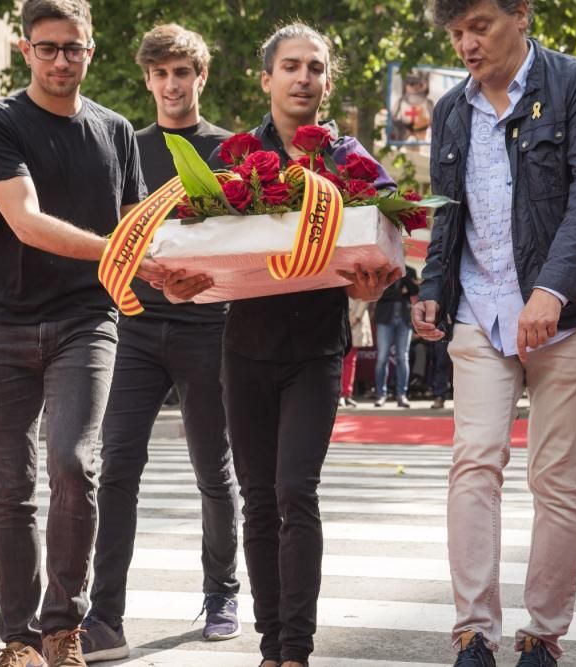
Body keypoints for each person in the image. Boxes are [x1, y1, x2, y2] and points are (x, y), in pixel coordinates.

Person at [164, 22, 399, 667]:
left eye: (316, 68)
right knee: (259, 499)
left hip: (319, 351)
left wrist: (378, 279)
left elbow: (390, 237)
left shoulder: (352, 162)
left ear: (327, 81)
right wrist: (184, 283)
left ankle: (295, 649)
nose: (304, 78)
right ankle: (271, 647)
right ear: (267, 79)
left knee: (296, 491)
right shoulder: (235, 158)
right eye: (291, 66)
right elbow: (198, 249)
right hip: (242, 351)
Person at [412, 1, 576, 665]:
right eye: (456, 34)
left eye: (479, 26)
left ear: (521, 14)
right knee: (473, 461)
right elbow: (449, 217)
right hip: (479, 308)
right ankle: (474, 630)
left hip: (565, 315)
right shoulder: (451, 109)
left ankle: (543, 634)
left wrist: (552, 288)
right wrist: (430, 291)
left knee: (555, 477)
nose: (467, 44)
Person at [0, 0, 156, 664]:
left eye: (72, 48)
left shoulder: (117, 130)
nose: (60, 61)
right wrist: (119, 252)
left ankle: (62, 626)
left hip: (86, 320)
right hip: (0, 322)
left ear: (91, 50)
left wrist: (178, 266)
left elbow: (140, 230)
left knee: (75, 464)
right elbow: (26, 221)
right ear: (25, 51)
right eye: (47, 48)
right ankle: (16, 637)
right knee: (11, 487)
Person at [80, 23, 242, 662]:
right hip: (136, 328)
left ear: (201, 77)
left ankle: (223, 592)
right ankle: (105, 615)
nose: (172, 84)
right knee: (116, 468)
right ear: (147, 79)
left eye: (184, 73)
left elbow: (247, 242)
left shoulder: (233, 151)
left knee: (214, 469)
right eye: (162, 73)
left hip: (211, 327)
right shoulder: (125, 144)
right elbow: (106, 236)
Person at [373, 265, 419, 407]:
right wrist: (400, 292)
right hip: (385, 318)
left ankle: (402, 395)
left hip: (404, 319)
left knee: (403, 357)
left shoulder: (409, 270)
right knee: (382, 357)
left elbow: (415, 290)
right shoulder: (381, 270)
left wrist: (403, 275)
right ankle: (381, 394)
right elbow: (379, 293)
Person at [339, 297, 373, 407]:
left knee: (350, 361)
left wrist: (356, 317)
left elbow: (366, 297)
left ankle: (346, 394)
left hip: (355, 320)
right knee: (339, 361)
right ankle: (339, 394)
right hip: (338, 317)